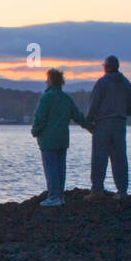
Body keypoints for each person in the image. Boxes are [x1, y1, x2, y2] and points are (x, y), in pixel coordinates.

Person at [30, 67, 90, 207]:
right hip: (63, 139)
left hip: (48, 141)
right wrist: (90, 127)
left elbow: (40, 118)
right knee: (60, 168)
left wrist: (35, 131)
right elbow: (78, 116)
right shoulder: (66, 98)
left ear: (50, 81)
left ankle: (53, 196)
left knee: (51, 169)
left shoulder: (46, 98)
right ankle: (60, 196)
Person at [85, 55, 131, 197]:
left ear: (106, 67)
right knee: (119, 158)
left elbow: (93, 105)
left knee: (99, 158)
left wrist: (87, 122)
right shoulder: (126, 83)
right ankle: (122, 191)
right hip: (120, 124)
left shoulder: (101, 83)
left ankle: (97, 190)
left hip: (102, 124)